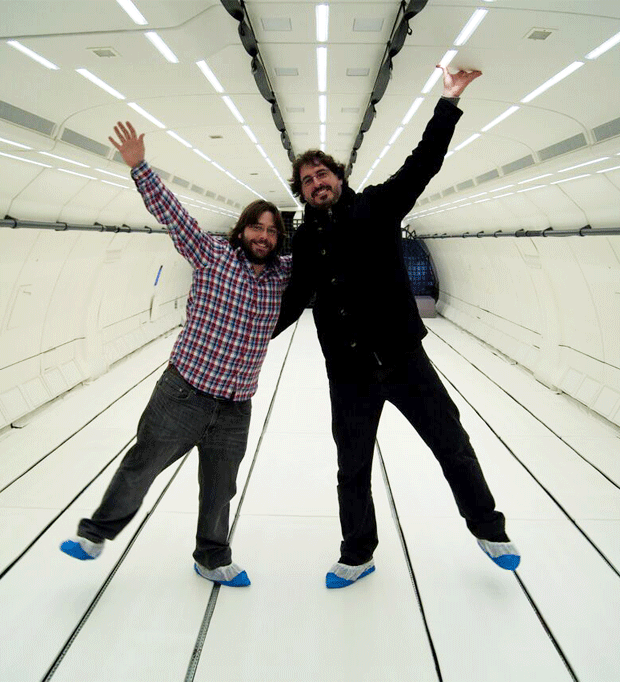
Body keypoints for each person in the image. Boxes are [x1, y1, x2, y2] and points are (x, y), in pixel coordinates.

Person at [273, 67, 520, 589]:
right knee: (353, 469)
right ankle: (357, 552)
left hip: (404, 360)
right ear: (301, 193)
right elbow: (291, 302)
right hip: (349, 374)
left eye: (322, 176)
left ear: (339, 177)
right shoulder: (306, 244)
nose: (317, 185)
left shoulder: (377, 207)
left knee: (451, 442)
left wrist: (448, 102)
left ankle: (488, 528)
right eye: (307, 182)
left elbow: (423, 162)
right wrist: (243, 336)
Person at [61, 121, 291, 587]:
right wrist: (139, 167)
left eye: (271, 231)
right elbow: (175, 216)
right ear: (242, 228)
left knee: (220, 488)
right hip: (183, 394)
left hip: (235, 407)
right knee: (142, 464)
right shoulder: (211, 255)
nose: (263, 236)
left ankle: (212, 557)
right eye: (256, 226)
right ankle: (95, 534)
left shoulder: (284, 275)